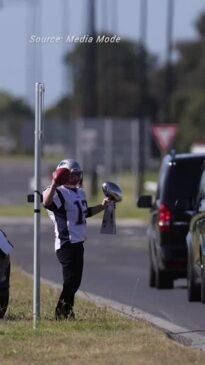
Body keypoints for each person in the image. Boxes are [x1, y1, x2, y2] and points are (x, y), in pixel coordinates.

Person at [43, 159, 110, 320]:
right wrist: (54, 184)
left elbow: (84, 213)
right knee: (70, 281)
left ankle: (67, 311)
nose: (76, 179)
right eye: (71, 176)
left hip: (78, 242)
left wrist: (102, 206)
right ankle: (62, 314)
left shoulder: (79, 192)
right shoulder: (58, 191)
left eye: (77, 175)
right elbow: (46, 202)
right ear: (62, 176)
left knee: (75, 282)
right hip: (66, 243)